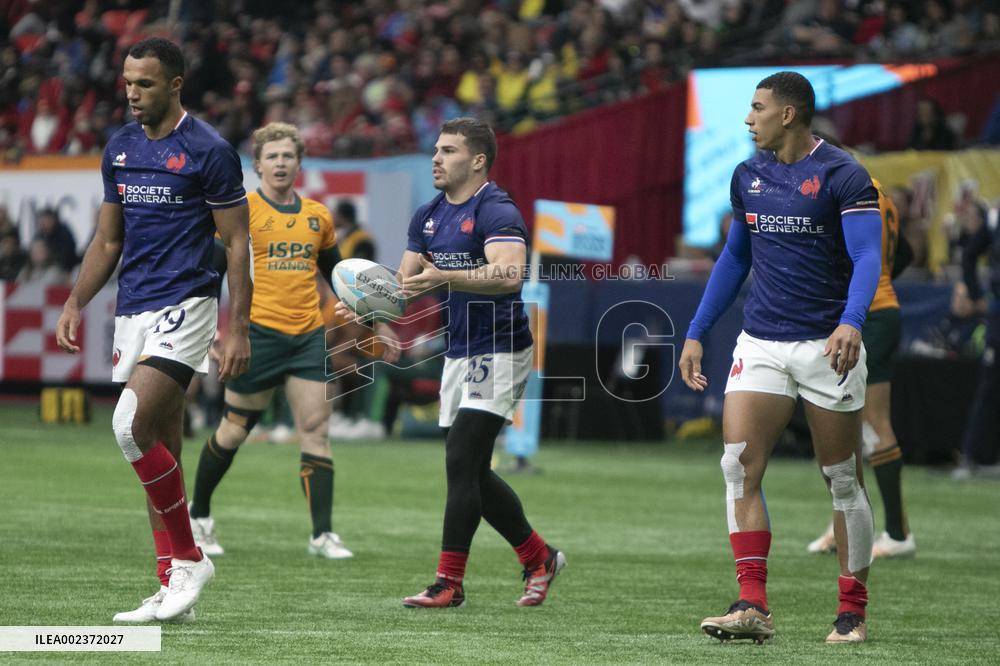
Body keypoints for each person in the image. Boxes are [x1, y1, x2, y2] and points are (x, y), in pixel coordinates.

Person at [678, 72, 883, 644]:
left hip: (826, 343)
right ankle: (752, 605)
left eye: (756, 107)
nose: (748, 119)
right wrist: (697, 330)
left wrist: (852, 321)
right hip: (762, 340)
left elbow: (869, 255)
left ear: (787, 115)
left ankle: (852, 611)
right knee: (737, 465)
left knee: (842, 479)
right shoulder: (748, 176)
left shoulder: (843, 173)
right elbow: (734, 258)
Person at [55, 37, 252, 624]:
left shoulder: (209, 150)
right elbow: (109, 240)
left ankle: (190, 559)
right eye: (127, 83)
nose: (132, 94)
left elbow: (238, 242)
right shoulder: (119, 148)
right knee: (160, 445)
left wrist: (236, 327)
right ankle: (172, 586)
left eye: (144, 84)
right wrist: (74, 301)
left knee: (127, 425)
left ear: (175, 84)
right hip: (132, 309)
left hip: (186, 304)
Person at [339, 117, 565, 609]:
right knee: (472, 472)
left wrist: (444, 276)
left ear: (478, 160)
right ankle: (539, 556)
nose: (436, 159)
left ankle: (449, 582)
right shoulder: (428, 214)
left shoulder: (496, 209)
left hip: (501, 347)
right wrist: (362, 303)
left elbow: (510, 275)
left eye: (448, 151)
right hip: (459, 351)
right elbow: (402, 285)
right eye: (435, 150)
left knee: (462, 460)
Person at [187, 121, 398, 559]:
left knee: (317, 431)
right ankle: (199, 516)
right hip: (256, 336)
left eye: (288, 156)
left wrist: (379, 322)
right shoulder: (240, 211)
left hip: (307, 339)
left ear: (299, 164)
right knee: (233, 429)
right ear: (258, 165)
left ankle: (322, 535)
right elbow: (213, 272)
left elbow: (340, 280)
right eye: (273, 156)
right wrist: (211, 331)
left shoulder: (317, 216)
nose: (281, 163)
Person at [808, 176, 917, 558]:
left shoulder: (842, 189)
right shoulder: (877, 190)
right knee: (846, 424)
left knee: (870, 423)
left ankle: (897, 533)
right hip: (877, 311)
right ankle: (849, 523)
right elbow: (904, 253)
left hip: (864, 317)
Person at [953, 201, 1000, 478]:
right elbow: (969, 254)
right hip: (998, 314)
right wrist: (975, 294)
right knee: (991, 385)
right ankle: (973, 455)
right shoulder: (994, 219)